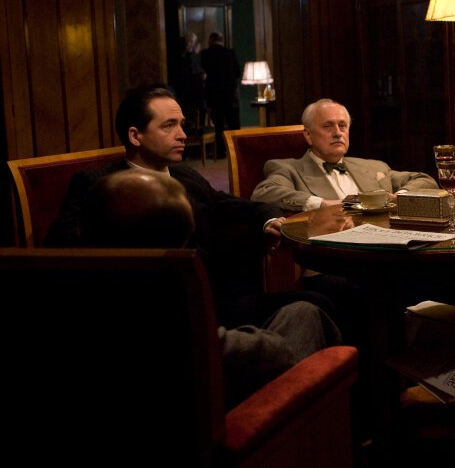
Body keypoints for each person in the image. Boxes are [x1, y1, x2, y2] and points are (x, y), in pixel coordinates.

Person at [44, 85, 327, 330]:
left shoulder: (186, 175)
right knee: (309, 309)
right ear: (135, 136)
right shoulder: (96, 183)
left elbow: (242, 207)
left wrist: (269, 223)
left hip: (222, 300)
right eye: (169, 125)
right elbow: (63, 246)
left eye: (181, 124)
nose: (182, 134)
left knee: (319, 301)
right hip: (156, 309)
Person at [80, 169, 342, 409]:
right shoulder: (171, 313)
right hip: (240, 418)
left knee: (302, 310)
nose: (183, 137)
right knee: (307, 315)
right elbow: (269, 354)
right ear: (181, 245)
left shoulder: (79, 284)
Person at [251, 98, 438, 210]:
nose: (337, 133)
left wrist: (400, 196)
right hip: (331, 254)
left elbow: (424, 180)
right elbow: (263, 193)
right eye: (327, 126)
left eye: (342, 126)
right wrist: (323, 204)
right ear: (308, 135)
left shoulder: (374, 167)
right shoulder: (289, 169)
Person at [201, 31, 241, 157]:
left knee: (219, 126)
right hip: (230, 95)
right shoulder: (230, 53)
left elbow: (204, 71)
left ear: (211, 40)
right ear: (222, 40)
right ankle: (237, 150)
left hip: (214, 95)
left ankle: (220, 152)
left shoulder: (205, 54)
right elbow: (238, 72)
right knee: (233, 124)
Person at [174, 32, 207, 131]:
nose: (190, 44)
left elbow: (198, 67)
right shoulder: (182, 55)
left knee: (201, 106)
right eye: (189, 42)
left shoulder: (197, 55)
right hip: (187, 85)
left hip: (197, 85)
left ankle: (200, 125)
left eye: (192, 42)